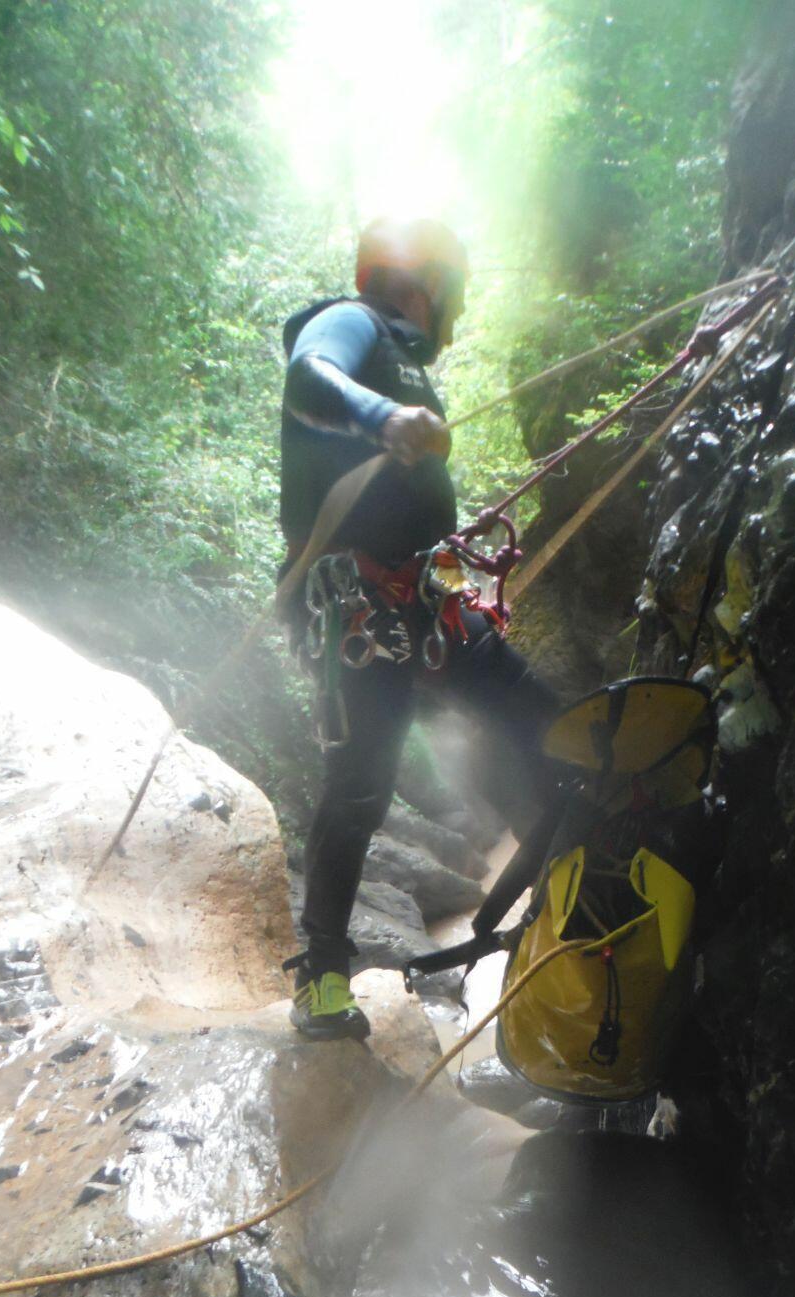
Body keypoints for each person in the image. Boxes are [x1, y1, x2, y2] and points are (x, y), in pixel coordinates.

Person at [280, 217, 559, 1041]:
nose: (457, 319)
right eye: (454, 299)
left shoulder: (403, 362)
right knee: (362, 784)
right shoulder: (351, 323)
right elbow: (307, 376)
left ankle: (564, 896)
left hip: (425, 598)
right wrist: (383, 418)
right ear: (423, 282)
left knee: (543, 720)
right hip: (356, 607)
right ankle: (322, 977)